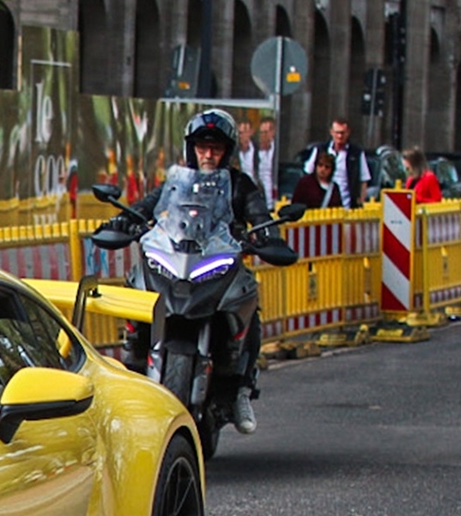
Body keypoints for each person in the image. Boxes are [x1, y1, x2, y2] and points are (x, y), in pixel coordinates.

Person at [116, 108, 274, 433]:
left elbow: (258, 213)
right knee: (135, 284)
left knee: (249, 305)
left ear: (227, 151)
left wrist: (264, 231)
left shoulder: (240, 184)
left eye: (215, 147)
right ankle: (132, 355)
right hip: (176, 258)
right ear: (192, 148)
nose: (208, 153)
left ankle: (240, 389)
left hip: (219, 263)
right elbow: (149, 205)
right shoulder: (175, 183)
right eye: (202, 146)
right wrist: (127, 218)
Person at [299, 117, 373, 208]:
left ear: (348, 133)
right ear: (331, 132)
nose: (339, 136)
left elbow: (363, 180)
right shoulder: (320, 149)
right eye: (337, 133)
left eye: (342, 133)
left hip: (347, 207)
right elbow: (307, 173)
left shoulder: (356, 153)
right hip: (321, 206)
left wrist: (360, 203)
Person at [241, 116, 282, 206]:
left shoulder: (279, 150)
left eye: (266, 132)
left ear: (273, 132)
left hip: (276, 198)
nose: (263, 136)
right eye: (261, 133)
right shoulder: (255, 150)